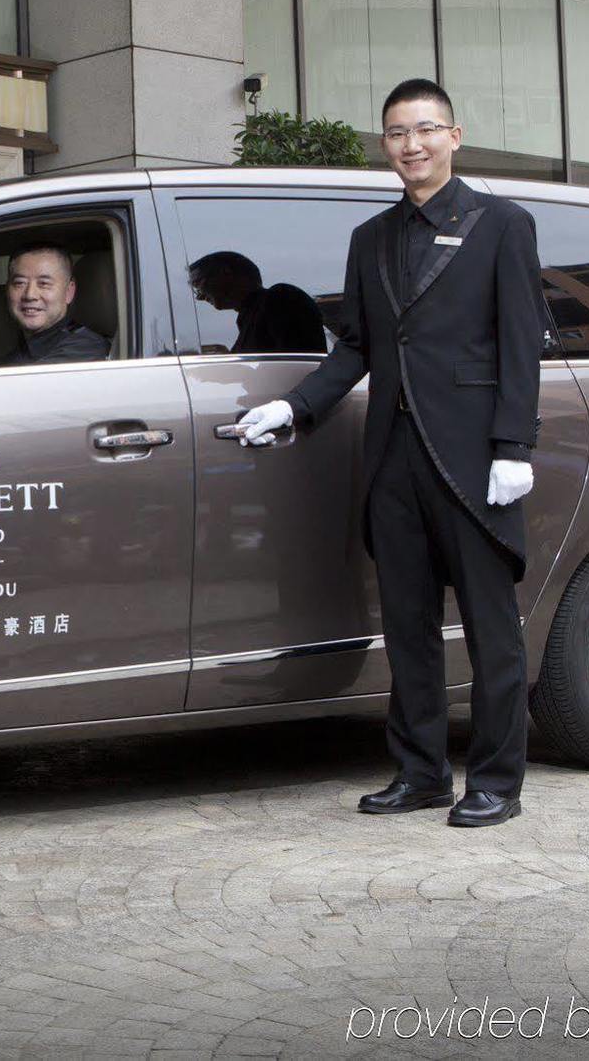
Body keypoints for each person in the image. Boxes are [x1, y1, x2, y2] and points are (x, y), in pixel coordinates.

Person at [234, 78, 544, 829]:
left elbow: (520, 342)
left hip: (473, 459)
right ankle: (421, 771)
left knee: (491, 628)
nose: (413, 144)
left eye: (426, 128)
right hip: (393, 458)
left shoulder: (502, 224)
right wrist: (295, 404)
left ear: (455, 135)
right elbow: (362, 348)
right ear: (386, 144)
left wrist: (513, 445)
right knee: (407, 627)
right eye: (399, 132)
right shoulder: (370, 239)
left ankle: (498, 780)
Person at [189, 250, 328, 355]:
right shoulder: (251, 316)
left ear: (225, 273)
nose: (199, 297)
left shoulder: (280, 298)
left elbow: (293, 367)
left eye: (198, 284)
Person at [0, 243, 109, 365]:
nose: (30, 295)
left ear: (69, 291)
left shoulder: (85, 350)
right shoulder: (18, 351)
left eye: (44, 284)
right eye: (20, 283)